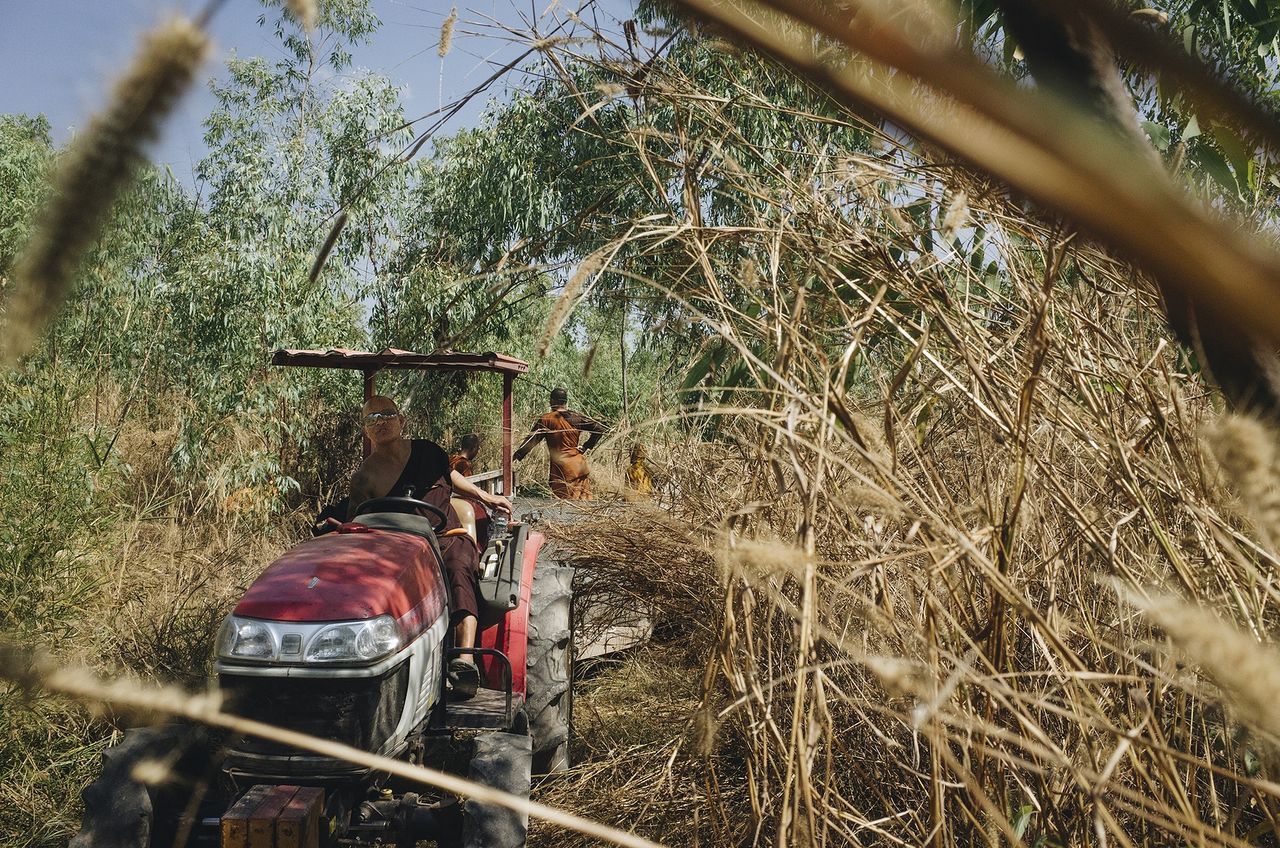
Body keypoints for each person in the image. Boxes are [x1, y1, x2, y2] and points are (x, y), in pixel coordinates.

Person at [347, 396, 511, 698]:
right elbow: (359, 522)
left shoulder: (427, 451)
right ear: (365, 430)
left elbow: (452, 478)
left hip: (447, 534)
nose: (381, 422)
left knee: (459, 563)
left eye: (387, 414)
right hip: (398, 546)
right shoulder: (364, 477)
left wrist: (484, 497)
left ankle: (464, 658)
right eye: (372, 418)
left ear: (402, 420)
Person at [514, 387, 606, 500]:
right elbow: (600, 429)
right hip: (580, 467)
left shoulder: (547, 419)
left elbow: (531, 440)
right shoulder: (576, 417)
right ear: (565, 402)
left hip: (563, 471)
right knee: (583, 506)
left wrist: (516, 455)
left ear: (552, 401)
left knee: (566, 509)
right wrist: (586, 446)